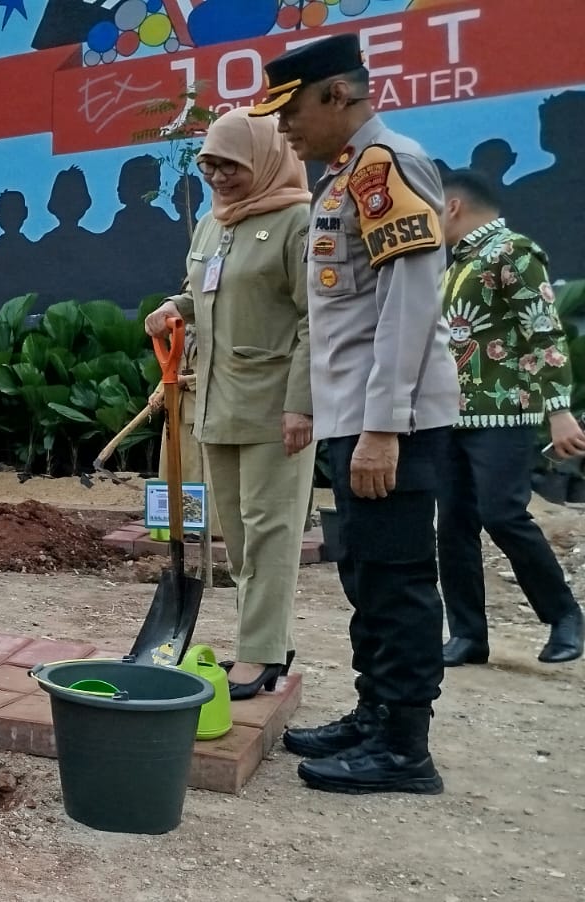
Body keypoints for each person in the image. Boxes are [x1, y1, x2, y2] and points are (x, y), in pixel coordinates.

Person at [253, 33, 459, 795]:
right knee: (367, 573)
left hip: (389, 423)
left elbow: (410, 300)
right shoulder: (346, 175)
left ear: (338, 93)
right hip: (356, 417)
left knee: (397, 579)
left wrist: (382, 426)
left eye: (293, 110)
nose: (284, 128)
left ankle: (404, 747)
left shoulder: (386, 164)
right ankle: (375, 714)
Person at [145, 108, 316, 700]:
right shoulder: (212, 225)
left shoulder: (298, 222)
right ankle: (266, 641)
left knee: (271, 529)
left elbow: (314, 321)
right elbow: (204, 294)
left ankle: (260, 653)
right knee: (238, 534)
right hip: (217, 399)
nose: (217, 176)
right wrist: (174, 309)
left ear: (264, 160)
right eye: (209, 164)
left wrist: (303, 405)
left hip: (276, 407)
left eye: (230, 165)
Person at [436, 169, 583, 666]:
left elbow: (544, 331)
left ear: (453, 206)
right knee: (452, 526)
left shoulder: (512, 251)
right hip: (452, 417)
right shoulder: (456, 265)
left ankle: (564, 616)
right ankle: (467, 634)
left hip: (505, 414)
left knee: (502, 514)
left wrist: (558, 410)